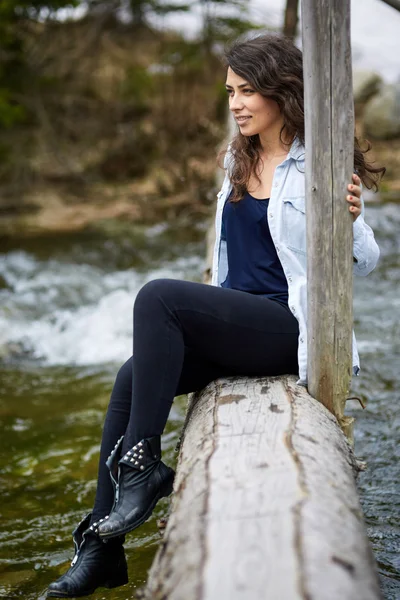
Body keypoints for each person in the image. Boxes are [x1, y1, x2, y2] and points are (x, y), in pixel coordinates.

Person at [46, 33, 384, 598]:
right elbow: (230, 266)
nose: (236, 103)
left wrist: (350, 217)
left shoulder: (320, 160)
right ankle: (102, 547)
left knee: (158, 296)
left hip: (289, 328)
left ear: (284, 91)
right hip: (238, 321)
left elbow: (367, 261)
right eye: (230, 91)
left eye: (248, 91)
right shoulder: (238, 154)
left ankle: (143, 469)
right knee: (132, 377)